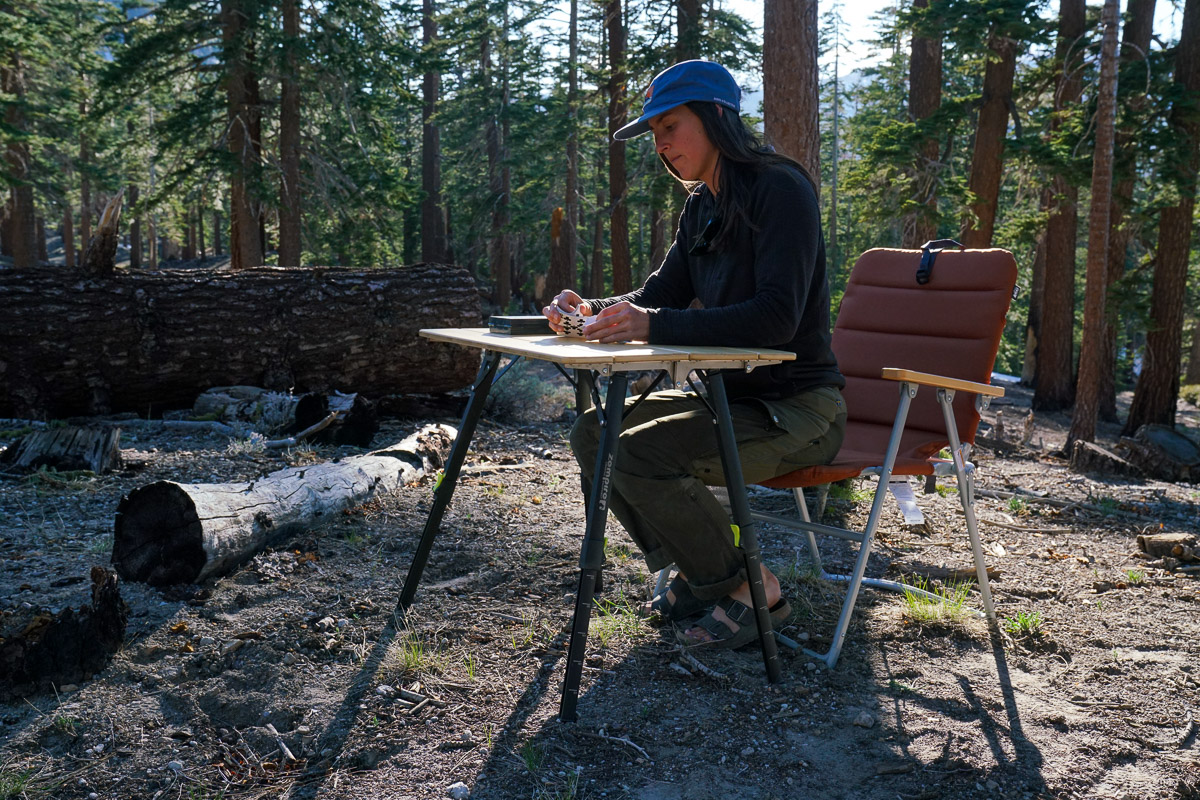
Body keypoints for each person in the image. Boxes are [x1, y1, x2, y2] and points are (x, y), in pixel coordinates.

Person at [542, 59, 846, 649]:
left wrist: (650, 323)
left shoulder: (781, 189)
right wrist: (593, 309)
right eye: (654, 133)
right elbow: (659, 296)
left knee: (638, 452)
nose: (660, 144)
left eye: (670, 126)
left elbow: (777, 318)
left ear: (715, 118)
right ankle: (707, 573)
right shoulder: (703, 205)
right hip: (731, 403)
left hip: (799, 411)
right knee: (593, 433)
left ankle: (754, 590)